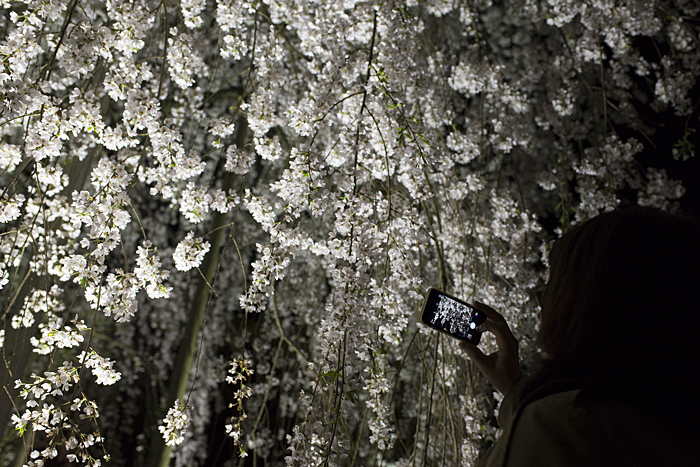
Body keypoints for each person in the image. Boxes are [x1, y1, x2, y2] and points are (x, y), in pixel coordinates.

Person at [459, 206, 700, 467]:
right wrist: (514, 387)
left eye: (554, 284)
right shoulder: (667, 424)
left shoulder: (558, 426)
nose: (542, 300)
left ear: (588, 304)